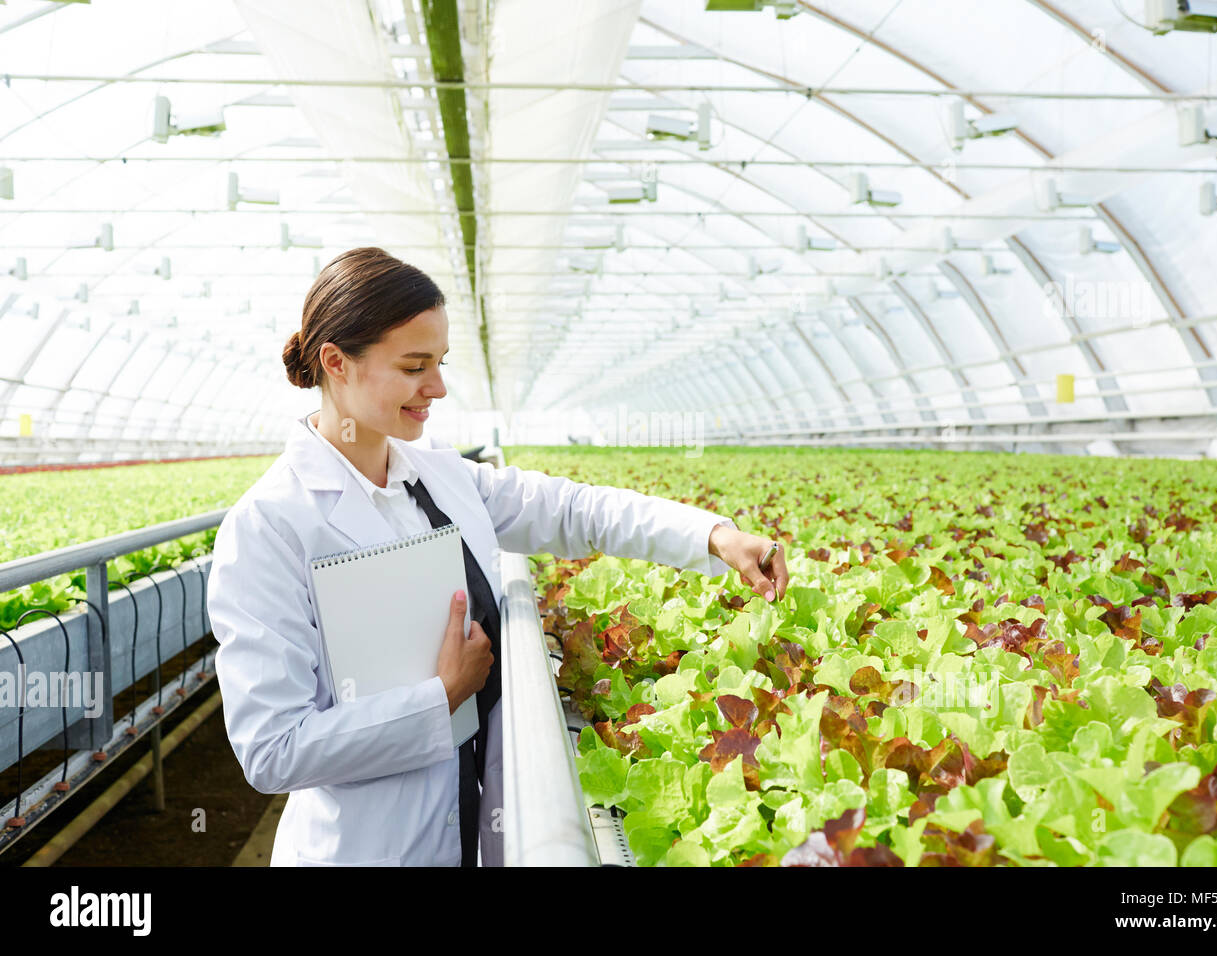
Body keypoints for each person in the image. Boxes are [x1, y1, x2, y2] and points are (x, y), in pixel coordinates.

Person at [206, 247, 790, 867]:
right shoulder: (270, 526)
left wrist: (714, 536)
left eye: (440, 363)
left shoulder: (436, 475)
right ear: (335, 362)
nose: (437, 387)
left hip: (468, 826)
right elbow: (272, 749)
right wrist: (441, 696)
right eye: (414, 366)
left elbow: (573, 510)